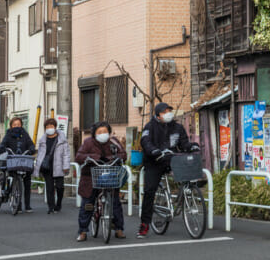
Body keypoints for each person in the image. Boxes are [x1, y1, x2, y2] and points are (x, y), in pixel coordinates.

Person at [137, 102, 197, 238]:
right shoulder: (150, 127)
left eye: (169, 110)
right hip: (155, 161)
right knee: (149, 191)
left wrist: (191, 146)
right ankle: (144, 225)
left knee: (187, 173)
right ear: (158, 115)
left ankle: (188, 191)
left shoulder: (177, 127)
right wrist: (153, 150)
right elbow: (145, 141)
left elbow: (184, 143)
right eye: (165, 112)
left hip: (172, 159)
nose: (168, 113)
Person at [74, 120, 127, 241]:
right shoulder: (88, 142)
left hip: (109, 175)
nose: (103, 134)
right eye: (100, 132)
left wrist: (113, 158)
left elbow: (123, 154)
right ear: (94, 133)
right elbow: (79, 156)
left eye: (105, 131)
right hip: (90, 177)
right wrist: (94, 158)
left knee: (115, 202)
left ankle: (119, 228)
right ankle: (82, 231)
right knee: (88, 203)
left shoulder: (113, 142)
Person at [0, 117, 37, 212]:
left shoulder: (25, 134)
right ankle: (17, 204)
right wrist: (2, 147)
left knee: (27, 183)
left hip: (24, 161)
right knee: (13, 182)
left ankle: (27, 205)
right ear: (11, 126)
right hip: (13, 161)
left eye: (18, 124)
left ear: (21, 125)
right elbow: (3, 144)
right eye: (14, 125)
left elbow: (30, 144)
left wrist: (32, 148)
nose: (17, 126)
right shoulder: (8, 135)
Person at [33, 118, 71, 213]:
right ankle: (51, 207)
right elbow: (40, 154)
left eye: (51, 126)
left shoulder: (62, 139)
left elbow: (66, 154)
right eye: (47, 127)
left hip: (59, 166)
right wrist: (38, 166)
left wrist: (66, 166)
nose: (49, 128)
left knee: (59, 187)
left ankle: (58, 204)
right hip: (47, 167)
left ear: (55, 127)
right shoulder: (42, 140)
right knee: (49, 188)